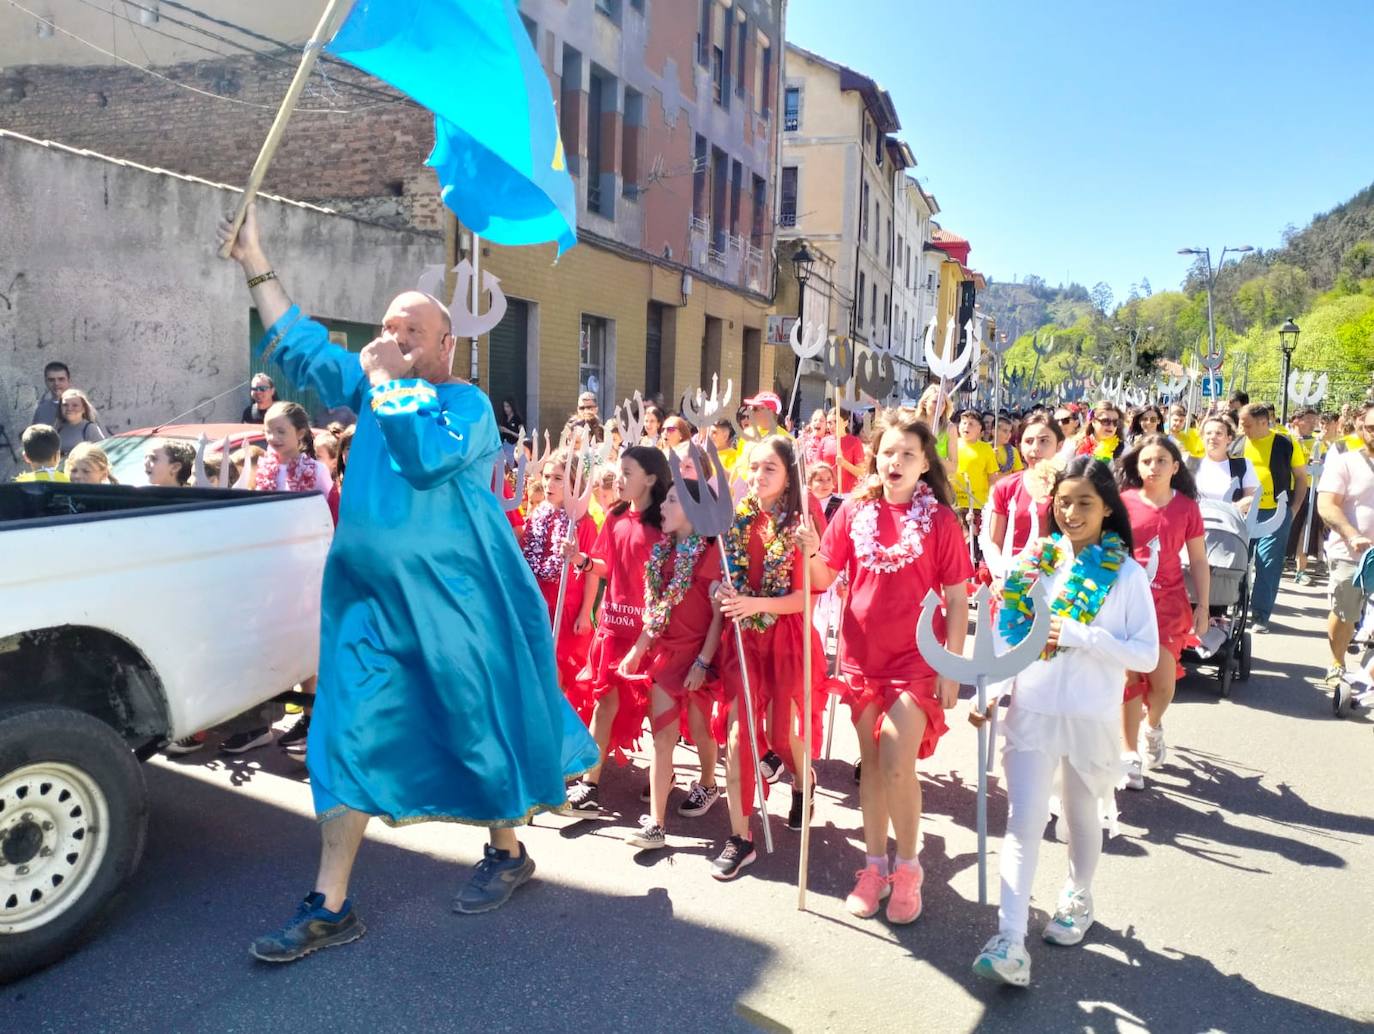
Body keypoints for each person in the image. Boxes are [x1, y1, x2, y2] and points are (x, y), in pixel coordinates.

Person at [219, 203, 597, 963]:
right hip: (368, 607)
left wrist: (387, 383)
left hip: (454, 607)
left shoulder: (469, 407)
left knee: (473, 723)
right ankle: (330, 904)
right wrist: (255, 259)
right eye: (388, 329)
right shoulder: (371, 390)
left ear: (446, 344)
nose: (393, 340)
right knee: (344, 733)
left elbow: (424, 456)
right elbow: (301, 345)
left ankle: (507, 851)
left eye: (411, 331)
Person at [971, 458, 1159, 988]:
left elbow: (1145, 656)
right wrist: (991, 692)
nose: (1071, 513)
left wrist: (1083, 636)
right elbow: (1009, 638)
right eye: (1063, 502)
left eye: (1084, 503)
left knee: (1080, 817)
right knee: (1023, 821)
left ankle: (1078, 895)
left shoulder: (1125, 573)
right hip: (1031, 709)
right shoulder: (1034, 561)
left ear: (1106, 509)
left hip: (1090, 716)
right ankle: (1010, 939)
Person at [799, 411, 969, 924]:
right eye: (888, 452)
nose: (895, 462)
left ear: (924, 464)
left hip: (918, 660)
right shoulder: (853, 510)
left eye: (908, 454)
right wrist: (808, 552)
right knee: (870, 765)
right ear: (875, 457)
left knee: (898, 761)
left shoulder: (940, 521)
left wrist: (951, 665)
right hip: (860, 657)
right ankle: (874, 867)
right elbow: (824, 576)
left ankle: (910, 868)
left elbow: (958, 600)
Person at [711, 437, 826, 879]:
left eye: (770, 469)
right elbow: (723, 578)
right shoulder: (738, 518)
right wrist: (720, 590)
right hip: (744, 637)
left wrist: (758, 604)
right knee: (739, 737)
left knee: (782, 734)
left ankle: (805, 779)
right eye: (754, 467)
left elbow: (805, 598)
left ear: (789, 475)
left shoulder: (802, 522)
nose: (758, 476)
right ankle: (741, 838)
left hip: (786, 637)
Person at [615, 479, 725, 850]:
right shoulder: (662, 553)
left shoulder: (711, 556)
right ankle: (657, 824)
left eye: (672, 501)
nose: (662, 506)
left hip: (697, 658)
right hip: (665, 657)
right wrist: (637, 650)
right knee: (662, 738)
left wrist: (703, 662)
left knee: (700, 730)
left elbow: (716, 620)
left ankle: (708, 783)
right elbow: (657, 613)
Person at [563, 446, 671, 815]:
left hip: (650, 632)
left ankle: (667, 777)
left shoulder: (665, 523)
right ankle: (589, 784)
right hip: (613, 625)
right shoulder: (615, 516)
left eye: (627, 472)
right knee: (603, 702)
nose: (619, 479)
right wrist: (581, 560)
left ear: (652, 479)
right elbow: (606, 565)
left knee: (658, 715)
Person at [1116, 436, 1208, 790]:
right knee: (1130, 678)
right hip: (1126, 601)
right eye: (1145, 461)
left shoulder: (1187, 508)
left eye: (1160, 460)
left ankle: (1152, 726)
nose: (1152, 468)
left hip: (1169, 603)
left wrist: (1203, 604)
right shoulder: (1122, 503)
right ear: (1136, 467)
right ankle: (1129, 754)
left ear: (1175, 466)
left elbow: (1198, 559)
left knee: (1164, 685)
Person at [521, 451, 598, 699]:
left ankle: (560, 729)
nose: (548, 483)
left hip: (566, 608)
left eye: (557, 478)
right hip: (537, 605)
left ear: (574, 484)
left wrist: (586, 613)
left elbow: (592, 573)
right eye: (546, 476)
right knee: (538, 670)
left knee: (560, 672)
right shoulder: (537, 515)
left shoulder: (584, 523)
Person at [1316, 402, 1374, 686]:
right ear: (1361, 428)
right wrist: (1352, 534)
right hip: (1352, 553)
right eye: (1370, 427)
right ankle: (1337, 662)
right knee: (1346, 611)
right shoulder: (1345, 461)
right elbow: (1326, 505)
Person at [1237, 403, 1309, 632]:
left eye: (1246, 424)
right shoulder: (1237, 444)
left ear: (1263, 422)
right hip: (1241, 511)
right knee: (1237, 561)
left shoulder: (1286, 443)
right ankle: (1234, 606)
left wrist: (1294, 508)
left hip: (1276, 512)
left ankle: (1260, 615)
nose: (1242, 428)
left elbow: (1300, 477)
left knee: (1268, 563)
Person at [987, 414, 1064, 557]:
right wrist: (1001, 571)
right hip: (1014, 574)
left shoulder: (1069, 486)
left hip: (1057, 570)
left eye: (1044, 441)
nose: (1035, 448)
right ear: (1019, 446)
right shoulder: (1006, 486)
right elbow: (995, 542)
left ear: (1059, 445)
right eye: (1029, 441)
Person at [1191, 415, 1258, 509]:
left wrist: (1229, 510)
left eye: (1219, 433)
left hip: (1229, 521)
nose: (1213, 437)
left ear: (1229, 439)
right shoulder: (1189, 465)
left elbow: (1251, 498)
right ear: (1202, 437)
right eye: (1208, 433)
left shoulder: (1244, 465)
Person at [821, 409, 867, 496]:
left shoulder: (855, 442)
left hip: (848, 493)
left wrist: (844, 463)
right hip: (827, 493)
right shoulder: (824, 442)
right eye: (829, 423)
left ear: (845, 423)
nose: (832, 426)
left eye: (836, 422)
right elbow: (817, 468)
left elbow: (861, 473)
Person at [55, 388, 106, 457]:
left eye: (75, 405)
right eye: (65, 405)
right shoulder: (59, 428)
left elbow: (102, 453)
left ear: (84, 409)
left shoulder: (89, 428)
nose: (69, 408)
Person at [32, 361, 71, 428]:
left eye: (61, 379)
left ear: (69, 381)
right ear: (46, 382)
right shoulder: (41, 410)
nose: (56, 383)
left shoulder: (81, 407)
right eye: (51, 380)